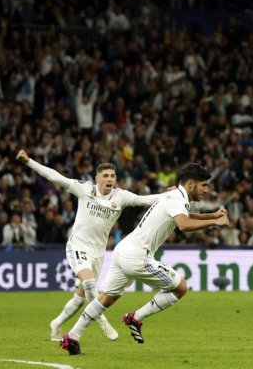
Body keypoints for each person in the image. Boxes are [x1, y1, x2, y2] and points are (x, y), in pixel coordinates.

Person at [60, 162, 230, 355]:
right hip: (137, 257)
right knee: (180, 287)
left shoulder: (173, 197)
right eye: (203, 185)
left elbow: (184, 214)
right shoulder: (177, 198)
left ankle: (72, 337)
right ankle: (135, 317)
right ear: (191, 184)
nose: (206, 190)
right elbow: (183, 224)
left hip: (122, 250)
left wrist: (211, 214)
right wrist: (214, 222)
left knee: (105, 299)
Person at [16, 150, 164, 342]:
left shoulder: (121, 196)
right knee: (89, 283)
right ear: (97, 178)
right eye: (105, 176)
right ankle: (103, 322)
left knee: (79, 298)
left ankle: (56, 323)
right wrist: (29, 162)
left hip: (98, 253)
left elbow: (145, 200)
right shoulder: (84, 189)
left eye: (112, 176)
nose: (110, 179)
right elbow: (55, 176)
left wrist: (168, 196)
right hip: (77, 246)